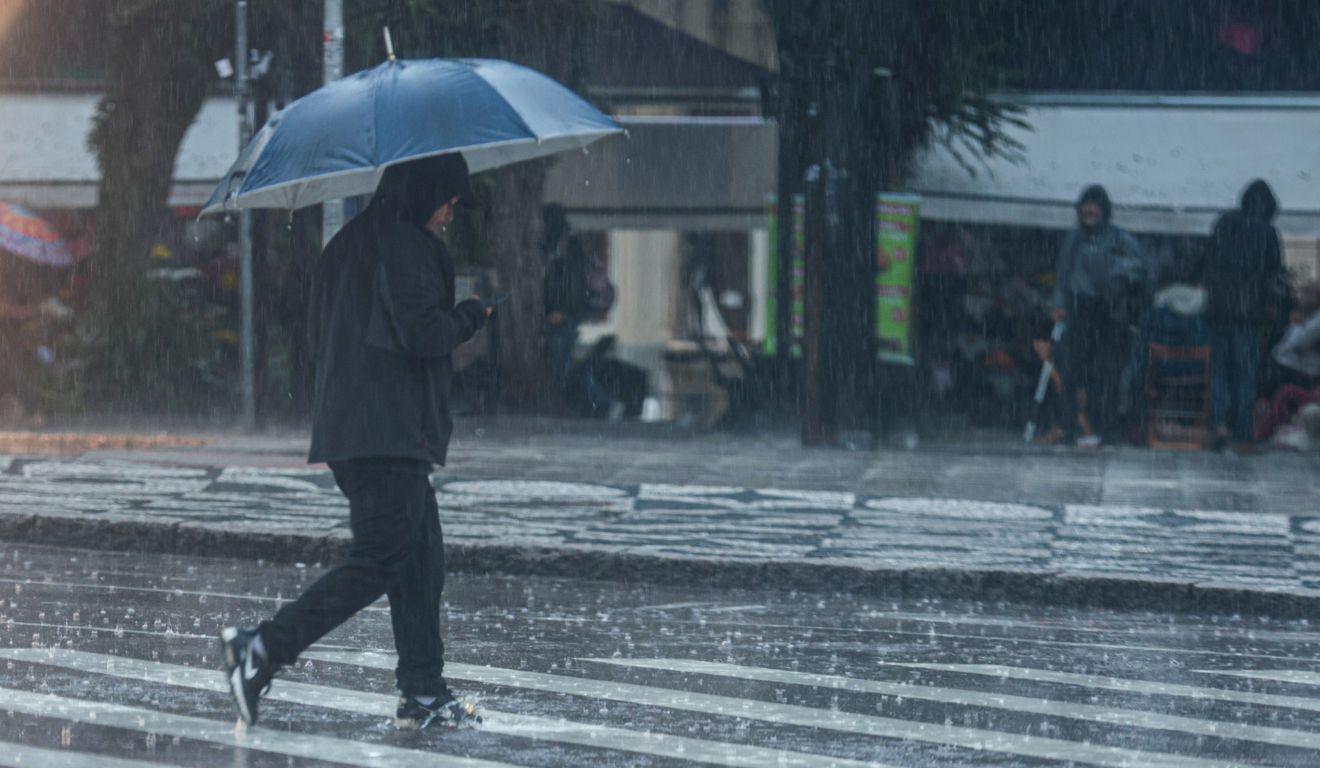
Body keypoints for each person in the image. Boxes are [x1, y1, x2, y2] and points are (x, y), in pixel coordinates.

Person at [220, 153, 489, 730]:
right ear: (425, 192)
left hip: (355, 428)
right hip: (388, 432)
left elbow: (321, 336)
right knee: (378, 561)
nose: (449, 213)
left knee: (421, 560)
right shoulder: (407, 246)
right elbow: (424, 334)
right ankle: (261, 650)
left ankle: (422, 691)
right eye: (449, 199)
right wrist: (470, 316)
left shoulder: (345, 246)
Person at [1050, 184, 1147, 446]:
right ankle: (1070, 428)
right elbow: (1062, 275)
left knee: (1108, 375)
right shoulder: (1074, 240)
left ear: (1103, 209)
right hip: (1080, 309)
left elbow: (1139, 268)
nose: (1088, 211)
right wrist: (1058, 304)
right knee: (1071, 371)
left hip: (1110, 312)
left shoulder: (1120, 239)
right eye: (1085, 205)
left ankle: (1107, 430)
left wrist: (1118, 280)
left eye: (1094, 205)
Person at [1204, 179, 1286, 450]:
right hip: (1249, 315)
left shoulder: (1224, 224)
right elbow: (1275, 274)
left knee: (1219, 371)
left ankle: (1220, 426)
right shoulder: (1268, 233)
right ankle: (1242, 432)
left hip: (1219, 311)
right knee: (1245, 373)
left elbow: (1207, 261)